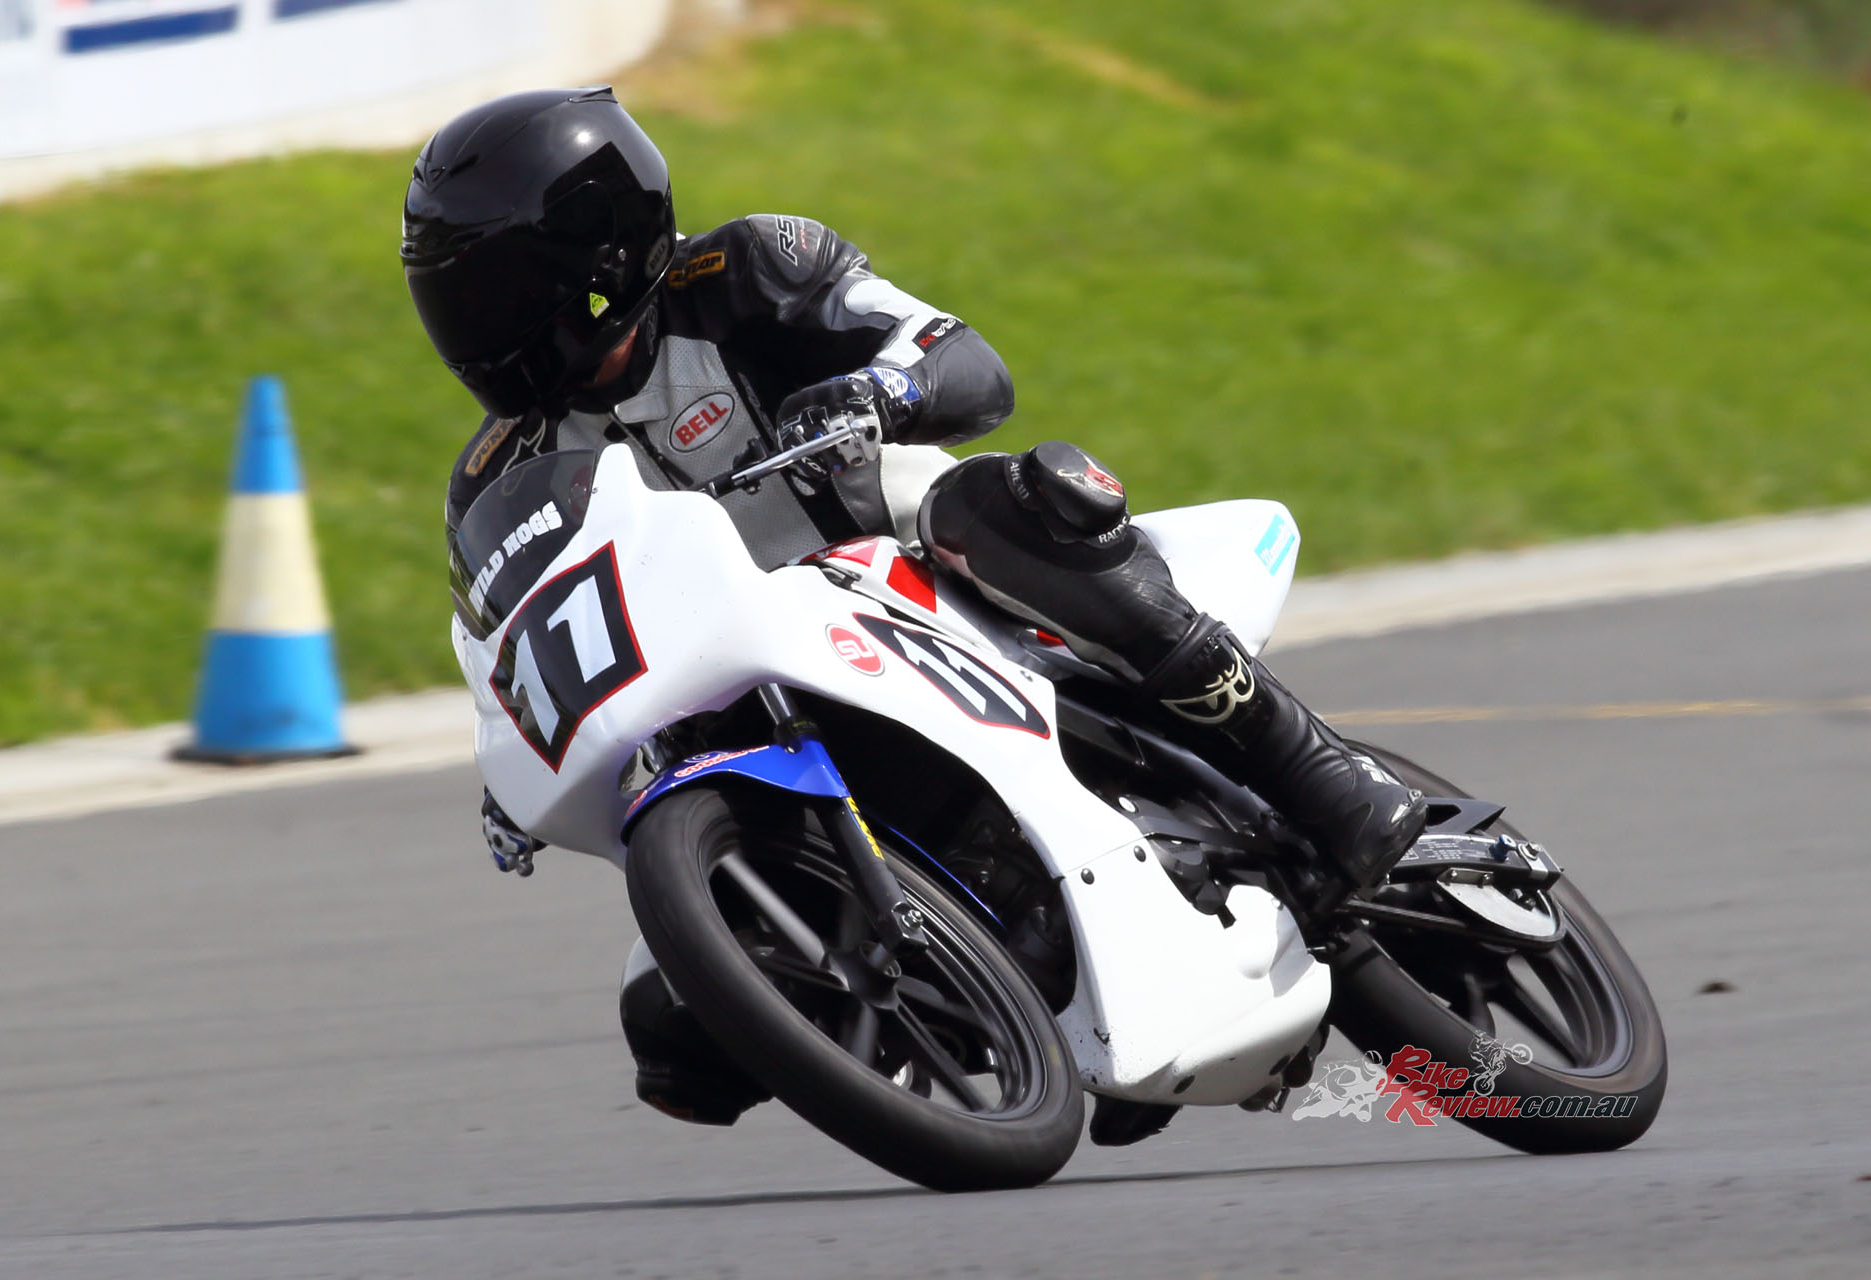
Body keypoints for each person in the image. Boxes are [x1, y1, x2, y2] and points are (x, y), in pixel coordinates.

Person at [402, 87, 1423, 1124]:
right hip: (740, 693)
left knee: (997, 503)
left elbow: (961, 357)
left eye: (493, 292)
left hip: (903, 565)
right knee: (673, 1039)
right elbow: (505, 644)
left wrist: (882, 393)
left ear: (600, 250)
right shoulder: (492, 480)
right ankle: (988, 1017)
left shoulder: (750, 270)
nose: (474, 329)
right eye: (454, 300)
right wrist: (517, 757)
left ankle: (1308, 763)